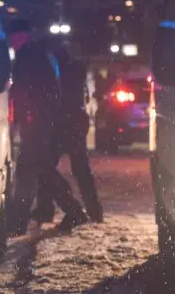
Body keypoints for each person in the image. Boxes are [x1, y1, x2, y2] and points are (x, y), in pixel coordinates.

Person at [8, 19, 88, 235]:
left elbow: (25, 91)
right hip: (40, 121)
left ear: (21, 36)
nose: (11, 41)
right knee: (38, 169)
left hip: (36, 123)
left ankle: (70, 211)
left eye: (13, 37)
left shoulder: (28, 57)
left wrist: (28, 118)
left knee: (35, 169)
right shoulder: (37, 55)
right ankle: (22, 219)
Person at [33, 43, 105, 224]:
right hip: (75, 123)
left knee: (46, 168)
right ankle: (93, 211)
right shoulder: (76, 71)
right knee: (81, 170)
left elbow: (53, 98)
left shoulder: (58, 74)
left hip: (62, 125)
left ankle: (56, 209)